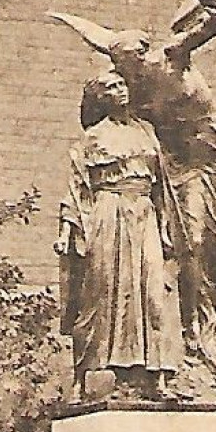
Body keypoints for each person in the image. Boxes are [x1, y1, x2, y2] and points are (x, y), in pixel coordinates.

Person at [49, 0, 216, 395]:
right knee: (184, 249)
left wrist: (212, 13)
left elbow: (203, 31)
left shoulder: (168, 60)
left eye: (140, 53)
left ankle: (198, 346)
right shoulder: (131, 100)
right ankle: (188, 347)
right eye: (129, 60)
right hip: (175, 168)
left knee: (207, 246)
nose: (138, 62)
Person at [55, 71, 185, 401]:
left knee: (154, 291)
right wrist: (70, 229)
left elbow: (163, 187)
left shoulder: (146, 132)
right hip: (107, 212)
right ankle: (96, 374)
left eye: (122, 84)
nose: (120, 91)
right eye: (110, 88)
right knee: (106, 291)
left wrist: (167, 228)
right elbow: (76, 189)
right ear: (100, 98)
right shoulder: (92, 139)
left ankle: (158, 376)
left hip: (144, 213)